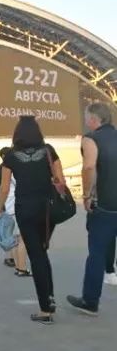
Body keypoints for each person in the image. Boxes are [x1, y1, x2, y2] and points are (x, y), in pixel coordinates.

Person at [0, 115, 66, 324]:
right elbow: (61, 180)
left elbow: (5, 187)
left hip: (24, 209)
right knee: (41, 252)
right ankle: (49, 298)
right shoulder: (48, 151)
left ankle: (46, 308)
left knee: (36, 255)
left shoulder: (11, 156)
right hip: (47, 209)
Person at [67, 102, 117, 315]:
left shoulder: (91, 139)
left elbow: (89, 167)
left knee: (97, 253)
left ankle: (90, 301)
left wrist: (86, 195)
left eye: (86, 116)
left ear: (93, 119)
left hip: (105, 206)